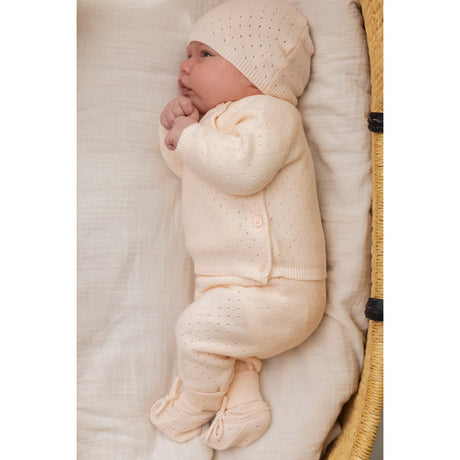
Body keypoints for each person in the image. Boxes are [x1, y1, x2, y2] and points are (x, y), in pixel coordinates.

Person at [150, 0, 327, 450]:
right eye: (188, 54)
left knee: (198, 331)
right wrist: (177, 133)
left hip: (280, 288)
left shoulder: (271, 114)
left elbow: (244, 170)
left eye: (204, 55)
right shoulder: (214, 123)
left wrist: (191, 136)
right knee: (224, 340)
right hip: (230, 283)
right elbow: (188, 168)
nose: (185, 66)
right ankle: (246, 406)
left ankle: (197, 400)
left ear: (257, 72)